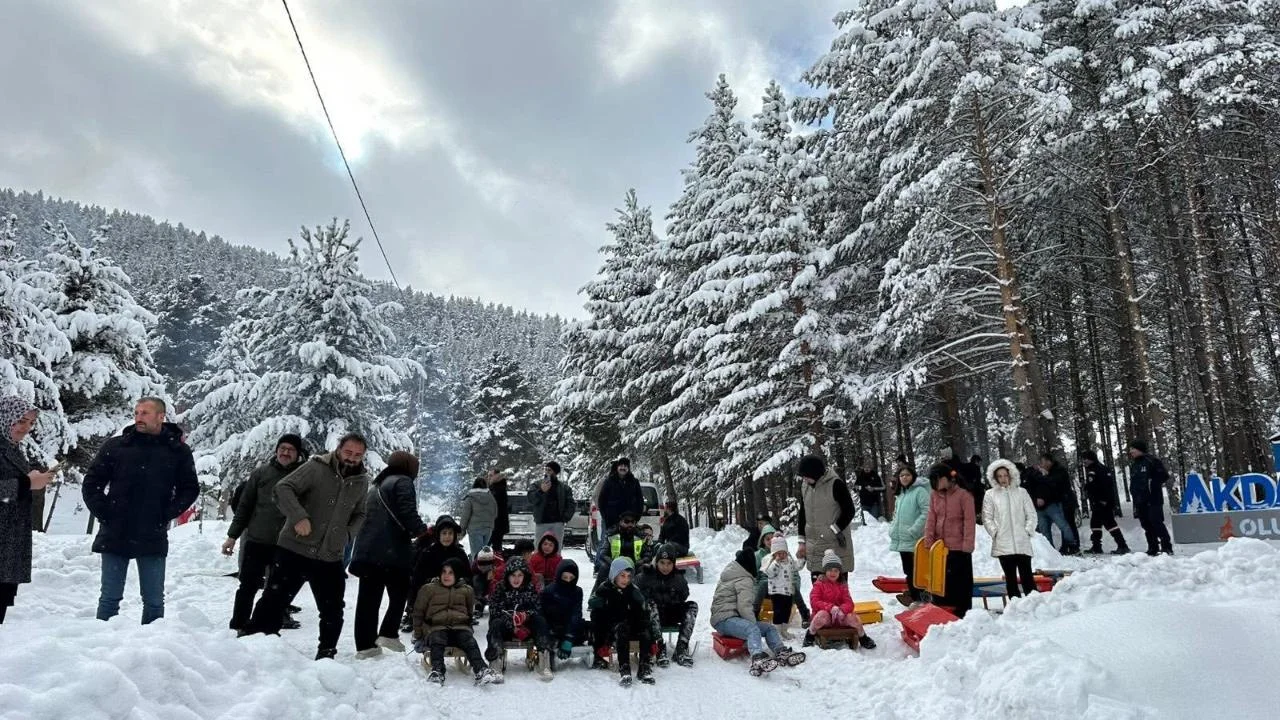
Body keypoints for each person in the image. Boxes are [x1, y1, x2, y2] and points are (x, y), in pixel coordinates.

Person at [241, 433, 370, 660]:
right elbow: (283, 488)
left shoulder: (361, 481)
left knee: (332, 610)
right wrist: (298, 516)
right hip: (295, 548)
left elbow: (360, 513)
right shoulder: (316, 468)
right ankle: (256, 643)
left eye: (358, 455)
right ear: (338, 449)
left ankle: (326, 654)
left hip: (330, 554)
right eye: (348, 452)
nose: (352, 458)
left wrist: (347, 535)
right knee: (274, 600)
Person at [83, 397, 199, 625]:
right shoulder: (116, 446)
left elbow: (189, 488)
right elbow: (92, 483)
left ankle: (152, 642)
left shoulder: (177, 451)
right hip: (116, 530)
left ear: (161, 416)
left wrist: (166, 513)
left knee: (154, 600)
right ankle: (102, 641)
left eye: (145, 413)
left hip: (152, 531)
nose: (138, 417)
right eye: (136, 412)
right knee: (109, 598)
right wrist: (105, 511)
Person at [221, 433, 305, 631]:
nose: (285, 453)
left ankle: (270, 625)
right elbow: (245, 506)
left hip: (287, 544)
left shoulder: (304, 476)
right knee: (247, 586)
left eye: (291, 450)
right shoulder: (261, 473)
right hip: (257, 540)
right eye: (282, 448)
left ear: (298, 454)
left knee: (278, 589)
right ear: (276, 450)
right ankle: (238, 624)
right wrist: (232, 537)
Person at [349, 450, 428, 657]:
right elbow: (407, 512)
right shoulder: (403, 481)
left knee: (368, 601)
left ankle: (365, 646)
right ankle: (388, 632)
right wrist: (423, 531)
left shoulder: (378, 485)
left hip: (367, 552)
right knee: (401, 591)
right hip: (391, 552)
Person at [0, 397, 54, 623]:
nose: (26, 428)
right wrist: (27, 483)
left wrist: (32, 479)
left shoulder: (13, 447)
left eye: (30, 423)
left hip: (9, 544)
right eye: (21, 421)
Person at [710, 549, 804, 676]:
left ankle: (781, 651)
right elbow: (744, 607)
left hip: (731, 618)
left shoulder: (732, 573)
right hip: (725, 619)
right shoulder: (744, 579)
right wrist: (753, 625)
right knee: (752, 628)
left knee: (769, 628)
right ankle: (757, 659)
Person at [412, 557, 502, 685]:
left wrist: (468, 627)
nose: (446, 576)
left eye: (451, 573)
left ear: (457, 575)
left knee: (470, 642)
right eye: (444, 572)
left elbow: (469, 612)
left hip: (460, 626)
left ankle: (481, 669)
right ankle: (437, 671)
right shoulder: (429, 589)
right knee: (437, 640)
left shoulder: (467, 590)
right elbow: (418, 613)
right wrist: (418, 636)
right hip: (436, 627)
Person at [588, 557, 654, 686]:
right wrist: (604, 602)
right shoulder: (605, 588)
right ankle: (625, 669)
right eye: (622, 576)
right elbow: (594, 607)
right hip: (612, 629)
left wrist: (640, 605)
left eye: (629, 576)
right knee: (622, 630)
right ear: (614, 575)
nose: (626, 580)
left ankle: (644, 668)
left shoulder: (632, 590)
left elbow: (643, 610)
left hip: (631, 624)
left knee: (644, 633)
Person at [923, 464, 975, 618]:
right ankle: (942, 612)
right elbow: (931, 518)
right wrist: (929, 540)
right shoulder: (934, 495)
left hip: (959, 549)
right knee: (940, 583)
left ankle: (961, 613)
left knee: (960, 584)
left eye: (938, 479)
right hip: (939, 549)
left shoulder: (964, 495)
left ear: (948, 478)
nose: (935, 483)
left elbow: (969, 522)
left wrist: (967, 546)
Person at [981, 459, 1038, 599]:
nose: (1003, 479)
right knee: (1010, 579)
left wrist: (1027, 531)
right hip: (1003, 543)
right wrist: (995, 532)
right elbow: (987, 517)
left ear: (1011, 474)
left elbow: (1031, 514)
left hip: (1022, 541)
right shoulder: (990, 494)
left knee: (1027, 577)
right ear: (995, 478)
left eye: (1005, 475)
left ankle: (1034, 603)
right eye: (999, 476)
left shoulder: (1022, 492)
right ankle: (1014, 605)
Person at [795, 454, 855, 583]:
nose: (804, 479)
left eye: (806, 476)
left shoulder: (836, 484)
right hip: (814, 546)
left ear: (815, 473)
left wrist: (833, 529)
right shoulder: (805, 486)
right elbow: (803, 513)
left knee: (837, 589)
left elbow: (849, 510)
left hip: (834, 544)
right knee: (818, 588)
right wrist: (801, 541)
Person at [404, 515, 470, 631]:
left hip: (454, 596)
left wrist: (459, 582)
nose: (447, 537)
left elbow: (469, 577)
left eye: (450, 533)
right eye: (444, 533)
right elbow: (416, 580)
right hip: (433, 598)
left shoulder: (460, 554)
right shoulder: (428, 553)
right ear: (438, 535)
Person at [635, 544, 697, 668]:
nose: (665, 567)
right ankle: (659, 646)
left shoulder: (678, 578)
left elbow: (684, 595)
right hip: (652, 617)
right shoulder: (646, 576)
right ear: (656, 562)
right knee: (650, 604)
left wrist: (674, 598)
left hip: (671, 613)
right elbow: (635, 593)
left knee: (692, 606)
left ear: (673, 564)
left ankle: (682, 646)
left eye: (669, 563)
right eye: (662, 563)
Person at [807, 550, 875, 649]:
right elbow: (814, 601)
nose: (833, 573)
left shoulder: (842, 585)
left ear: (839, 572)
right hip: (825, 618)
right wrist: (830, 608)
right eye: (830, 570)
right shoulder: (819, 584)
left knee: (854, 618)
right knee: (821, 615)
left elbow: (849, 602)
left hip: (840, 617)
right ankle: (810, 635)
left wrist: (842, 610)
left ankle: (863, 637)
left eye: (836, 570)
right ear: (825, 571)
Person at [485, 556, 545, 663]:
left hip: (526, 628)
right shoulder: (500, 588)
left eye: (520, 575)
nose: (516, 579)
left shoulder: (530, 588)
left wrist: (525, 615)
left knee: (540, 621)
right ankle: (495, 656)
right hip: (506, 628)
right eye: (513, 575)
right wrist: (512, 626)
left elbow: (537, 608)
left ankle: (544, 654)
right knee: (496, 624)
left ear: (524, 575)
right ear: (507, 575)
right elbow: (495, 609)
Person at [887, 465, 930, 606]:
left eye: (907, 475)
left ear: (913, 476)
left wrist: (914, 530)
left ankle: (921, 598)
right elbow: (896, 515)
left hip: (915, 539)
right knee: (908, 571)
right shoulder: (901, 494)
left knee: (918, 571)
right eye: (902, 475)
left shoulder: (920, 492)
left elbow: (927, 512)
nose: (904, 477)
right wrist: (893, 529)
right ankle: (915, 597)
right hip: (903, 540)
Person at [537, 558, 586, 679]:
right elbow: (543, 614)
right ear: (559, 576)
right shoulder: (548, 591)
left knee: (587, 626)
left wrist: (569, 637)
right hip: (553, 627)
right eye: (565, 577)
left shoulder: (577, 591)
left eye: (571, 578)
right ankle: (550, 649)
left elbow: (576, 614)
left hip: (569, 626)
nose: (568, 581)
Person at [1127, 440, 1173, 555]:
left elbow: (1164, 475)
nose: (1131, 451)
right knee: (1146, 524)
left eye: (1133, 449)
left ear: (1140, 449)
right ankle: (1153, 547)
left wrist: (1152, 484)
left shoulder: (1152, 461)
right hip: (1140, 499)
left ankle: (1166, 547)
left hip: (1153, 498)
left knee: (1156, 522)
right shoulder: (1134, 464)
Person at [1081, 451, 1130, 554]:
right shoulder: (1097, 469)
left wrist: (1104, 500)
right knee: (1095, 523)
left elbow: (1105, 486)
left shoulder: (1098, 469)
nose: (1084, 461)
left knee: (1110, 523)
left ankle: (1122, 546)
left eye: (1086, 459)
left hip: (1103, 502)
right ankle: (1096, 546)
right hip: (1098, 502)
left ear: (1091, 459)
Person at [1029, 453, 1079, 554]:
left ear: (1049, 461)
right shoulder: (1052, 471)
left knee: (1066, 524)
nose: (1041, 465)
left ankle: (1073, 546)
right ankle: (1066, 547)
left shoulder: (1058, 471)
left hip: (1065, 501)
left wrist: (1040, 475)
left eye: (1043, 462)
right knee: (1065, 524)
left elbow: (1051, 482)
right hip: (1059, 501)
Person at [761, 535, 805, 639]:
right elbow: (770, 573)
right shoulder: (771, 562)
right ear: (774, 553)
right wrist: (776, 562)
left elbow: (797, 567)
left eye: (784, 553)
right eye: (779, 553)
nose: (782, 555)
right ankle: (777, 632)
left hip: (788, 591)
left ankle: (784, 630)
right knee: (778, 611)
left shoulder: (789, 560)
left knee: (787, 611)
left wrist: (802, 559)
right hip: (776, 592)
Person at [595, 510, 653, 588]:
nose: (630, 524)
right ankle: (599, 592)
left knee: (646, 570)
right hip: (615, 566)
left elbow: (648, 555)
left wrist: (639, 563)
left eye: (632, 522)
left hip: (635, 566)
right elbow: (603, 554)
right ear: (620, 522)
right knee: (604, 568)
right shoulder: (611, 535)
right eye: (626, 521)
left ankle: (643, 594)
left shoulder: (641, 536)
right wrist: (615, 564)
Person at [597, 458, 644, 541]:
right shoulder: (609, 481)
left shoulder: (634, 482)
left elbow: (640, 500)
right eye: (621, 466)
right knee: (607, 543)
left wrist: (637, 516)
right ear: (617, 467)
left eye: (625, 466)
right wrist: (605, 516)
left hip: (629, 521)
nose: (623, 468)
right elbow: (601, 500)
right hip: (611, 521)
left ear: (628, 468)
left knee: (630, 544)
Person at [528, 461, 574, 544]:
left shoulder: (564, 488)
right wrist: (541, 491)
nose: (546, 472)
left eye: (549, 470)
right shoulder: (537, 485)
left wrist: (564, 518)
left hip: (557, 523)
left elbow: (571, 504)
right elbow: (531, 499)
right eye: (545, 469)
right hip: (542, 522)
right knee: (539, 545)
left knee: (556, 546)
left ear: (555, 472)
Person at [459, 477, 498, 561]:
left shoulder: (470, 498)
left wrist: (461, 530)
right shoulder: (491, 497)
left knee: (477, 555)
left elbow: (465, 515)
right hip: (488, 529)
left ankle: (476, 568)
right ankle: (485, 568)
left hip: (475, 529)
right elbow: (495, 513)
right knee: (485, 554)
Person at [471, 546, 505, 619]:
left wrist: (494, 572)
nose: (483, 565)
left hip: (495, 578)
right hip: (481, 579)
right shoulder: (475, 564)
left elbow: (502, 575)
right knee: (476, 579)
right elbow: (472, 573)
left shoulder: (500, 562)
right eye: (481, 563)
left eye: (486, 563)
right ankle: (479, 604)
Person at [487, 469, 511, 554]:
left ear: (497, 476)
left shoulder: (498, 488)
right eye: (488, 476)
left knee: (491, 546)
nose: (489, 478)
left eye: (491, 475)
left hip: (497, 524)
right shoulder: (495, 487)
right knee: (494, 546)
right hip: (495, 524)